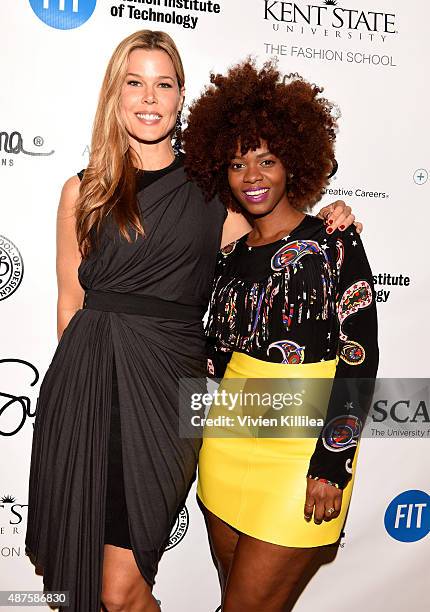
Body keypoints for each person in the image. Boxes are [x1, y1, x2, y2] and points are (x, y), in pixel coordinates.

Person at [24, 30, 359, 612]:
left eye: (164, 84)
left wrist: (330, 215)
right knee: (81, 581)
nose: (148, 97)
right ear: (115, 94)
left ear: (181, 98)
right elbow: (68, 305)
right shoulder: (81, 191)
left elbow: (274, 228)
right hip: (82, 391)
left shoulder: (213, 194)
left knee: (120, 588)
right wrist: (79, 398)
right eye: (135, 83)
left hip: (164, 394)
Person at [183, 59, 379, 611]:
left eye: (266, 160)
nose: (253, 176)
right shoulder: (229, 257)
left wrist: (332, 463)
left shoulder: (335, 242)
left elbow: (360, 362)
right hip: (226, 444)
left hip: (302, 451)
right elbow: (214, 361)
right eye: (238, 163)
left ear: (293, 163)